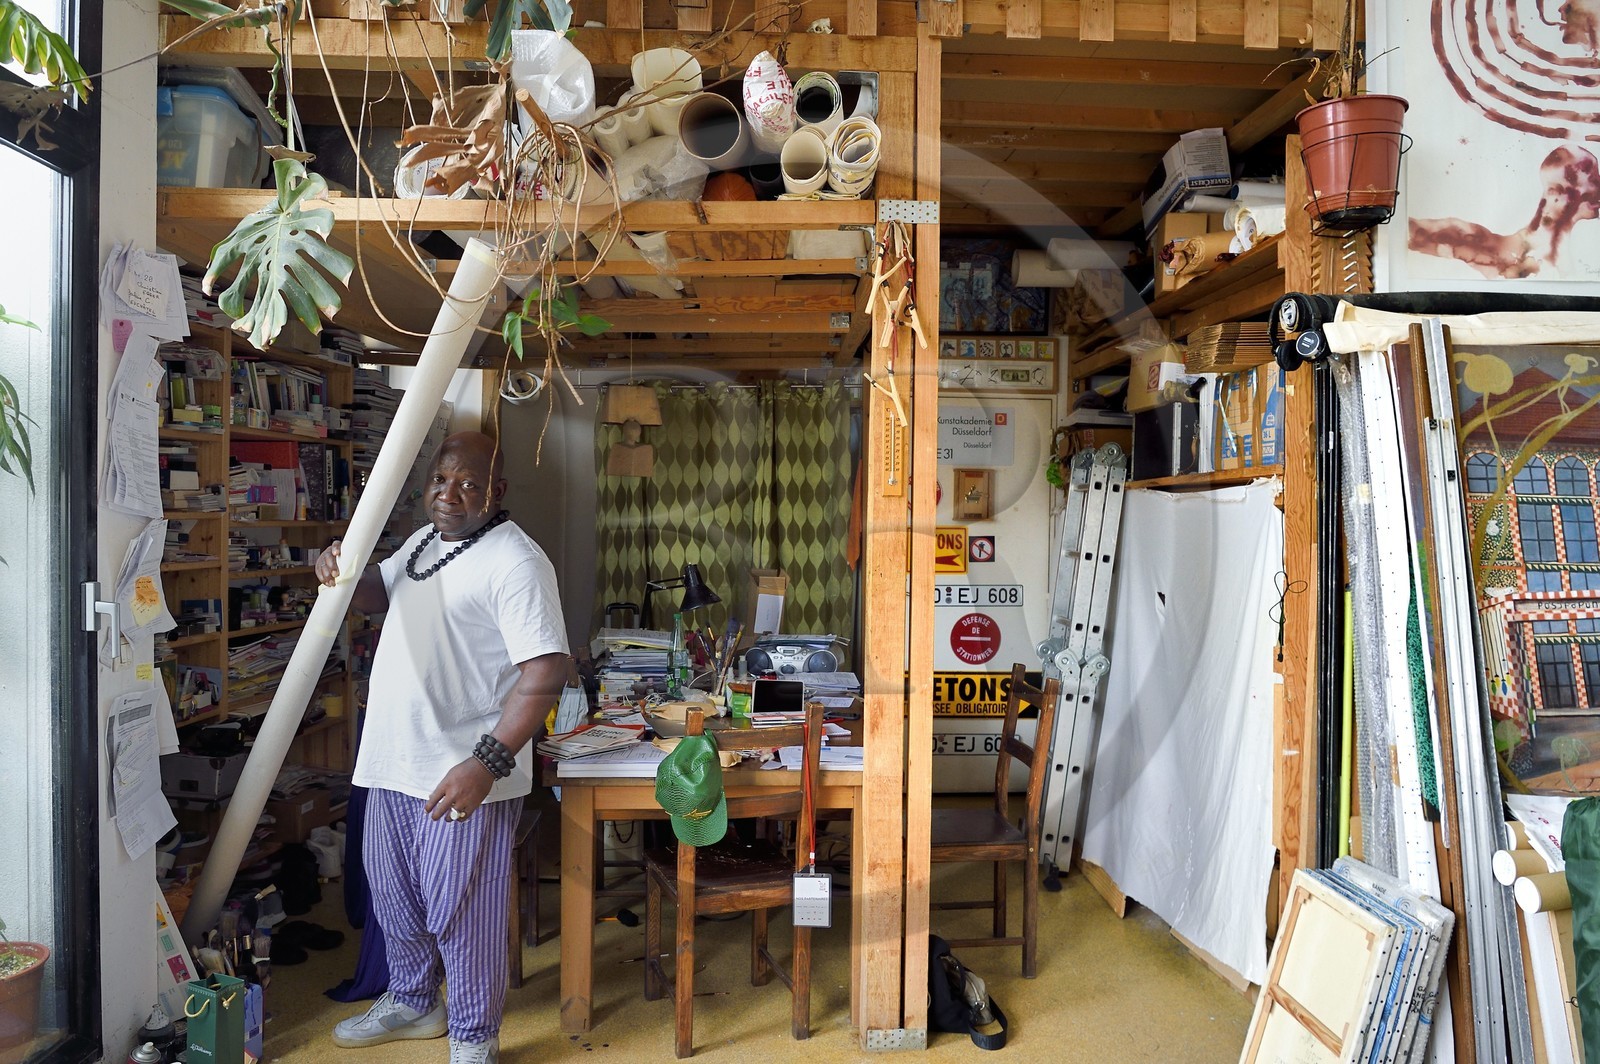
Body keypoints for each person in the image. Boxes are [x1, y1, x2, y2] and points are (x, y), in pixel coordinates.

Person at [320, 431, 569, 1064]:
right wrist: (334, 568)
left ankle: (474, 1038)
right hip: (391, 761)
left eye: (468, 484)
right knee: (392, 892)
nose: (449, 493)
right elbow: (378, 596)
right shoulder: (423, 543)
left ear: (497, 492)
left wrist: (486, 764)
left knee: (465, 909)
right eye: (440, 479)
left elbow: (546, 672)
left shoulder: (516, 561)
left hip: (462, 771)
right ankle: (412, 1001)